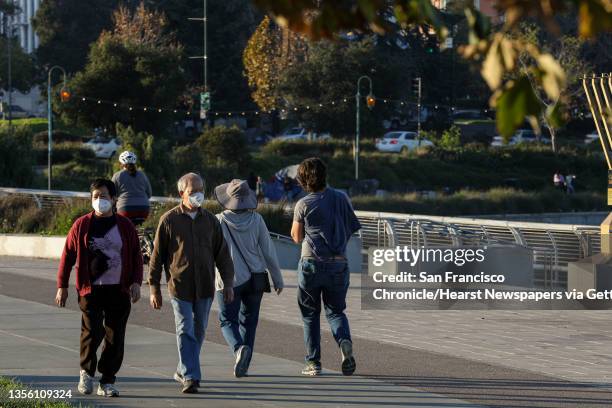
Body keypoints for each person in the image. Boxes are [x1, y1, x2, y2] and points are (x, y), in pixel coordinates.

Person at [55, 178, 143, 397]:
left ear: (113, 199)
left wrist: (136, 283)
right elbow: (67, 256)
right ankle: (86, 372)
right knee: (92, 332)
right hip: (90, 290)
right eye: (95, 197)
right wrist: (62, 286)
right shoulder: (82, 225)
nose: (99, 200)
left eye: (104, 196)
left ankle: (107, 380)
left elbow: (136, 256)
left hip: (118, 290)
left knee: (115, 337)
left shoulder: (125, 226)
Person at [148, 172, 235, 394]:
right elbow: (157, 257)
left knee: (199, 331)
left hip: (205, 286)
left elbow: (222, 254)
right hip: (180, 286)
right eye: (192, 192)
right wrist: (154, 288)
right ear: (181, 194)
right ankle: (191, 377)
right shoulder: (169, 220)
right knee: (185, 328)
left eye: (200, 191)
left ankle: (182, 369)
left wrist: (228, 283)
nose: (197, 196)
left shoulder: (211, 221)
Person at [291, 157, 361, 377]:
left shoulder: (303, 204)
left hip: (311, 263)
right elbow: (352, 227)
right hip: (338, 264)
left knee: (310, 315)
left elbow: (296, 236)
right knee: (336, 312)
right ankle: (344, 342)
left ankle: (313, 363)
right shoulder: (342, 198)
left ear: (303, 180)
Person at [213, 179, 284, 378]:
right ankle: (244, 363)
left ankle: (238, 350)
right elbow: (269, 252)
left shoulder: (218, 221)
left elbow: (209, 252)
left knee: (227, 320)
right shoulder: (257, 219)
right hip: (256, 279)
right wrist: (277, 279)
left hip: (229, 281)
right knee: (249, 323)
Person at [112, 151, 152, 226]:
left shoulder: (117, 176)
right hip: (144, 209)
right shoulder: (142, 175)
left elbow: (112, 195)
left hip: (125, 209)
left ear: (121, 164)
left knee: (120, 228)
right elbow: (149, 194)